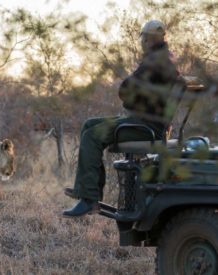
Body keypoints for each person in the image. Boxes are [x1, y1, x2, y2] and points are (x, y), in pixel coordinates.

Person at [63, 19, 185, 217]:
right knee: (89, 125)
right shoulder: (165, 59)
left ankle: (89, 199)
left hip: (146, 126)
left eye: (143, 39)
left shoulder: (154, 62)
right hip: (150, 122)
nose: (142, 42)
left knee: (92, 136)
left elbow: (125, 91)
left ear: (147, 40)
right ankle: (85, 192)